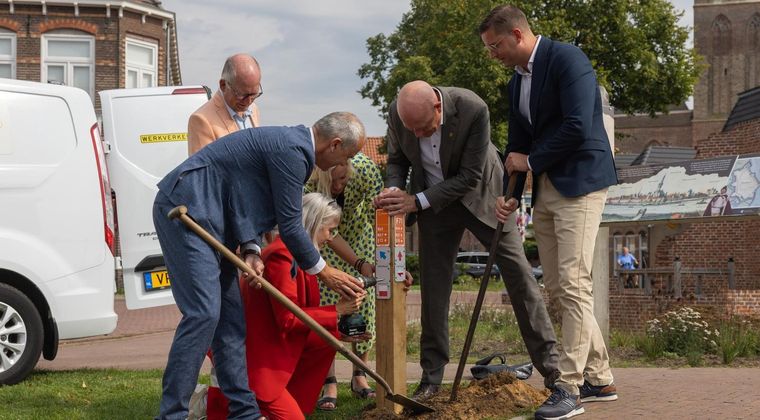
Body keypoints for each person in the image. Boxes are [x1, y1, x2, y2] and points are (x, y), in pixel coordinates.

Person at [152, 112, 366, 420]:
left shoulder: (292, 150)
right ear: (334, 144)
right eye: (346, 156)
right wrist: (325, 271)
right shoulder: (294, 151)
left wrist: (251, 248)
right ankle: (172, 415)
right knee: (204, 314)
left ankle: (244, 413)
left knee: (230, 322)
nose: (339, 166)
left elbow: (244, 200)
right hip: (186, 210)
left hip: (216, 222)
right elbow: (291, 226)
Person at [374, 80, 559, 400]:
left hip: (482, 197)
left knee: (519, 276)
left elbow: (469, 177)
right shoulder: (398, 113)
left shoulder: (473, 108)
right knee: (433, 288)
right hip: (433, 205)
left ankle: (553, 369)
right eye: (411, 128)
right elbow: (397, 160)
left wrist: (416, 201)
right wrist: (394, 190)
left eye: (423, 127)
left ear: (437, 107)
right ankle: (431, 378)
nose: (417, 135)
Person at [481, 5, 619, 419]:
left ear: (519, 35)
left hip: (580, 182)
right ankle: (601, 378)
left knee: (575, 284)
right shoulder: (515, 83)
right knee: (559, 288)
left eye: (496, 46)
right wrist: (511, 192)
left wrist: (531, 161)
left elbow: (578, 125)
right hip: (544, 189)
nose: (493, 54)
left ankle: (569, 387)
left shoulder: (567, 59)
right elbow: (517, 147)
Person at [205, 193, 368, 420]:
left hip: (269, 348)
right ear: (313, 224)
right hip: (256, 360)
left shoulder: (300, 257)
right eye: (330, 230)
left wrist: (339, 330)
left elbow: (299, 314)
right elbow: (288, 319)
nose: (331, 238)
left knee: (326, 341)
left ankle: (283, 401)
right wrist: (338, 310)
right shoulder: (281, 255)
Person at [306, 155, 384, 409]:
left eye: (344, 179)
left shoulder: (367, 171)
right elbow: (326, 231)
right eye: (335, 180)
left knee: (363, 306)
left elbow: (379, 216)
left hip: (361, 237)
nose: (340, 185)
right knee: (328, 310)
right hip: (324, 241)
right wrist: (352, 262)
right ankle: (329, 380)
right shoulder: (308, 177)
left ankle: (359, 374)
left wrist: (381, 259)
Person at [187, 53, 263, 155]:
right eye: (241, 95)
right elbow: (204, 170)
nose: (248, 102)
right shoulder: (201, 120)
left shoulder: (254, 109)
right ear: (223, 85)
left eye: (254, 94)